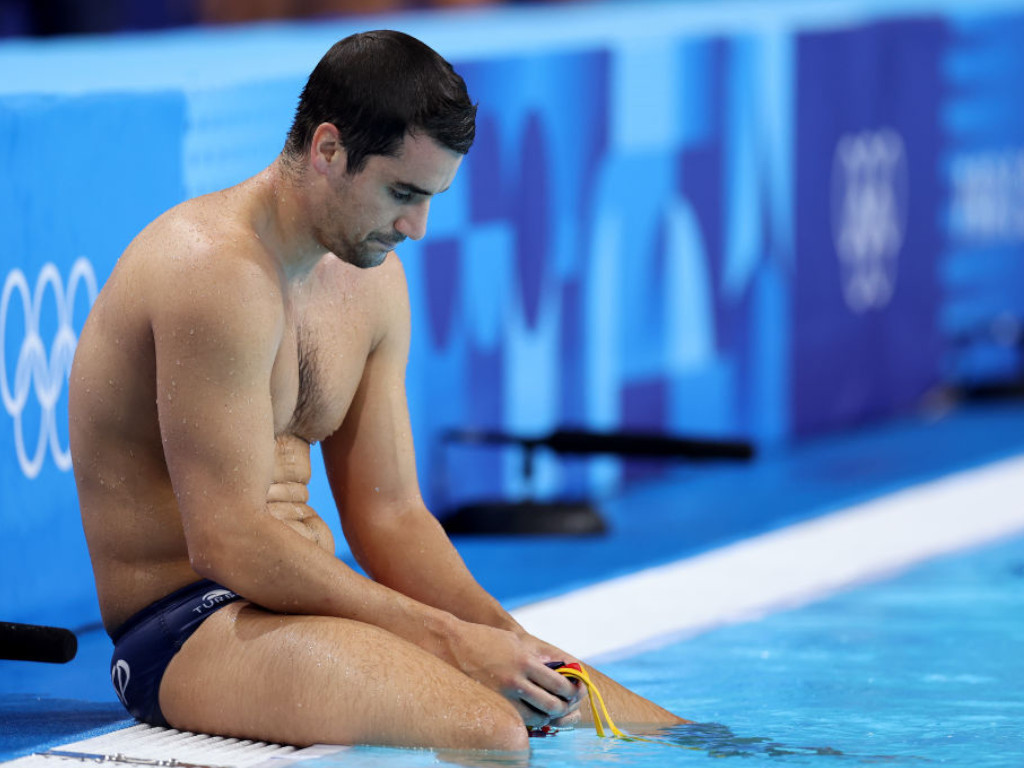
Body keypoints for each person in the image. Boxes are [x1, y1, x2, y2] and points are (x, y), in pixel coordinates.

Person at [69, 29, 685, 752]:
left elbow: (390, 515)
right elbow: (227, 541)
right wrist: (451, 641)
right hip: (185, 626)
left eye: (431, 200)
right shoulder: (215, 273)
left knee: (651, 729)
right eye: (402, 193)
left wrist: (505, 640)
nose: (416, 228)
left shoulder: (370, 282)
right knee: (491, 732)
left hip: (303, 608)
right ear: (328, 150)